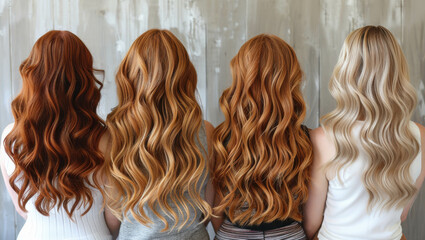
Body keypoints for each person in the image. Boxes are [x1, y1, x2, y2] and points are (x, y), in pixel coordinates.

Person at [303, 26, 425, 240]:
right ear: (397, 71)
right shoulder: (421, 136)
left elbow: (311, 224)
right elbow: (402, 214)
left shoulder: (323, 139)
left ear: (347, 71)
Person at [0, 30, 112, 240]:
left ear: (33, 75)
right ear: (84, 77)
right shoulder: (106, 138)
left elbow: (22, 208)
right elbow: (114, 216)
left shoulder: (11, 137)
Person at [103, 29, 213, 240]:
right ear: (185, 76)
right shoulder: (205, 131)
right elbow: (206, 207)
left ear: (130, 75)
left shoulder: (115, 134)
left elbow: (113, 216)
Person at [211, 34, 312, 239]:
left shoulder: (222, 137)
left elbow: (216, 210)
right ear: (290, 79)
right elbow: (310, 212)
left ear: (240, 76)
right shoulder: (304, 139)